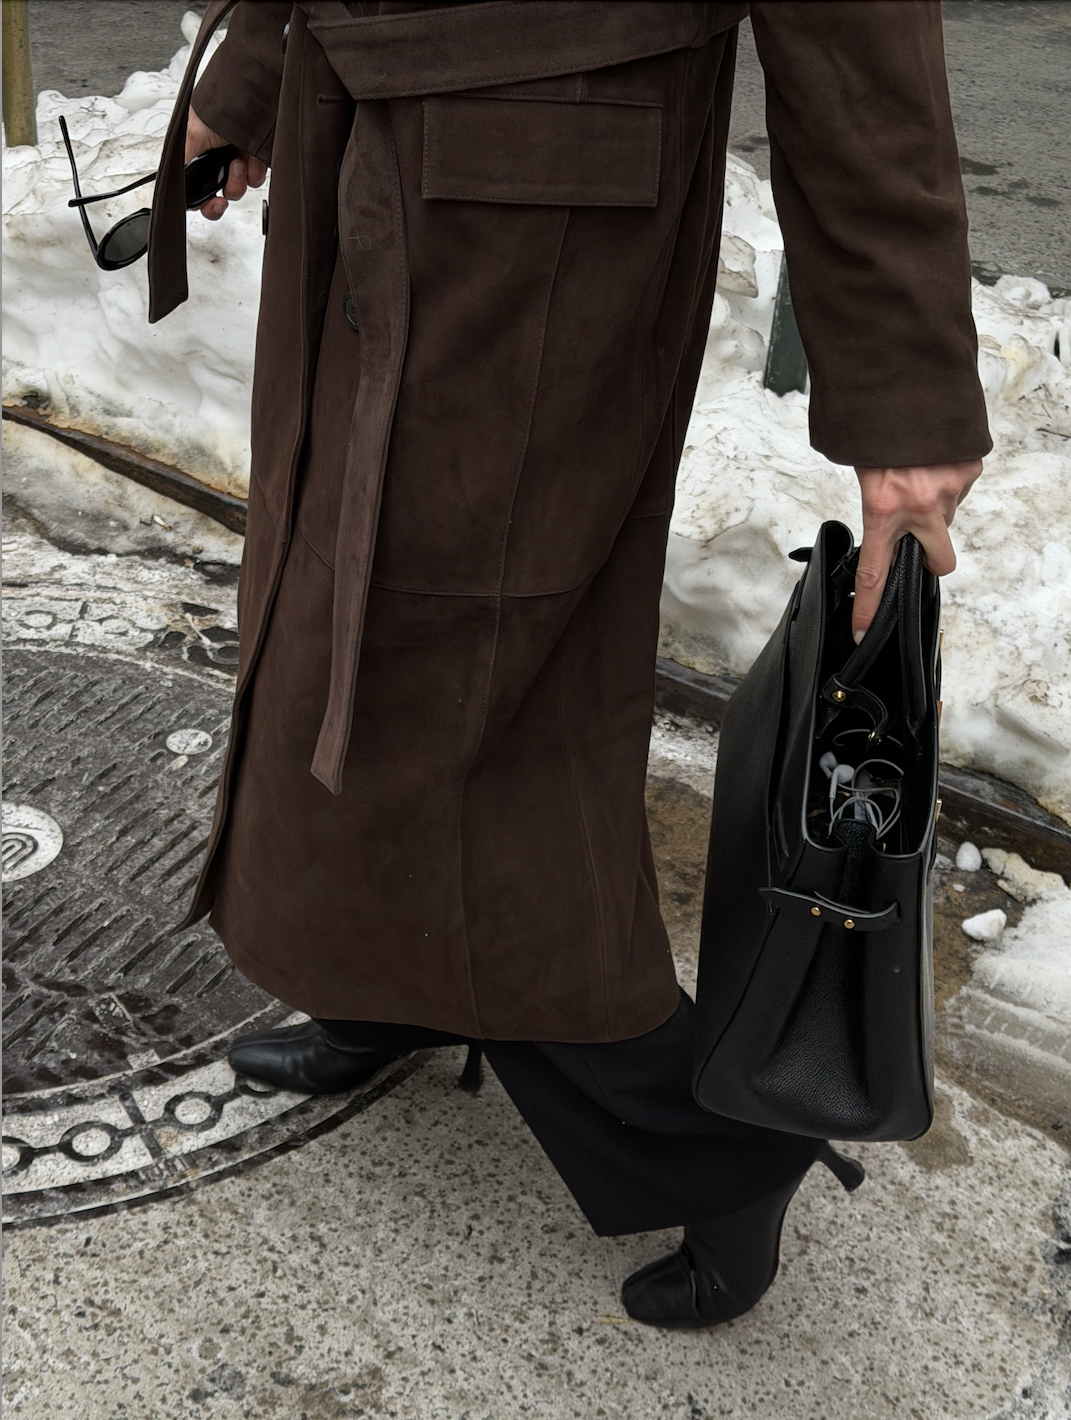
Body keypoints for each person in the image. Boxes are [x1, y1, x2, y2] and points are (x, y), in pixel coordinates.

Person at [146, 0, 989, 1328]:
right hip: (358, 132)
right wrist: (252, 72)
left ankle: (720, 1149)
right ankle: (386, 975)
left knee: (468, 689)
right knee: (328, 611)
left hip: (548, 191)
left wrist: (906, 394)